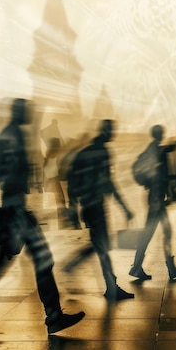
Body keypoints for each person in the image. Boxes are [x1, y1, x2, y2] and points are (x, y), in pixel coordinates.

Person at [0, 98, 85, 336]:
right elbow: (7, 172)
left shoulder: (10, 133)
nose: (31, 114)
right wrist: (13, 210)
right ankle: (53, 315)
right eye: (28, 110)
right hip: (17, 211)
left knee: (3, 260)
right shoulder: (14, 135)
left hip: (16, 209)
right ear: (19, 112)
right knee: (42, 260)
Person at [66, 119, 135, 300]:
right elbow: (108, 182)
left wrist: (73, 206)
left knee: (100, 244)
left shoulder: (84, 152)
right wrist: (124, 207)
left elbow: (72, 180)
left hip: (88, 206)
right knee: (102, 245)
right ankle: (110, 287)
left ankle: (110, 285)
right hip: (96, 206)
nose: (114, 133)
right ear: (106, 131)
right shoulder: (102, 152)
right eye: (112, 130)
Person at [130, 125, 176, 281]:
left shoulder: (152, 149)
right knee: (160, 233)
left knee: (155, 233)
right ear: (161, 134)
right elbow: (163, 176)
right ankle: (168, 268)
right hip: (156, 200)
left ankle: (138, 267)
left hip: (155, 198)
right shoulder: (159, 151)